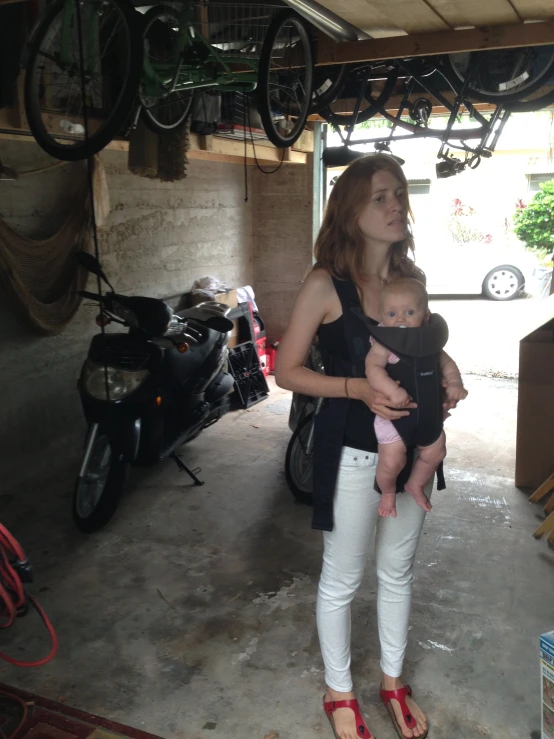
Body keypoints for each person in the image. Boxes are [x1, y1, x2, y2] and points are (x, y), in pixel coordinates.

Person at [275, 154, 463, 739]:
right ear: (351, 210)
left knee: (398, 572)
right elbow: (287, 371)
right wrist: (357, 387)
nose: (395, 205)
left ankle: (392, 680)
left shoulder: (411, 283)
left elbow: (427, 346)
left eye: (399, 194)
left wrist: (449, 377)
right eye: (381, 196)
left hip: (415, 447)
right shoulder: (324, 284)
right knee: (343, 576)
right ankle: (339, 692)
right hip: (354, 451)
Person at [366, 277, 467, 519]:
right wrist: (392, 390)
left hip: (429, 417)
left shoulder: (430, 342)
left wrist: (454, 383)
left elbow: (448, 364)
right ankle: (388, 492)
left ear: (426, 315)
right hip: (394, 418)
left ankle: (415, 484)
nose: (400, 319)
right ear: (382, 317)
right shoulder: (384, 343)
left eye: (409, 312)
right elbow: (372, 369)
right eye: (391, 313)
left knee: (435, 453)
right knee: (392, 462)